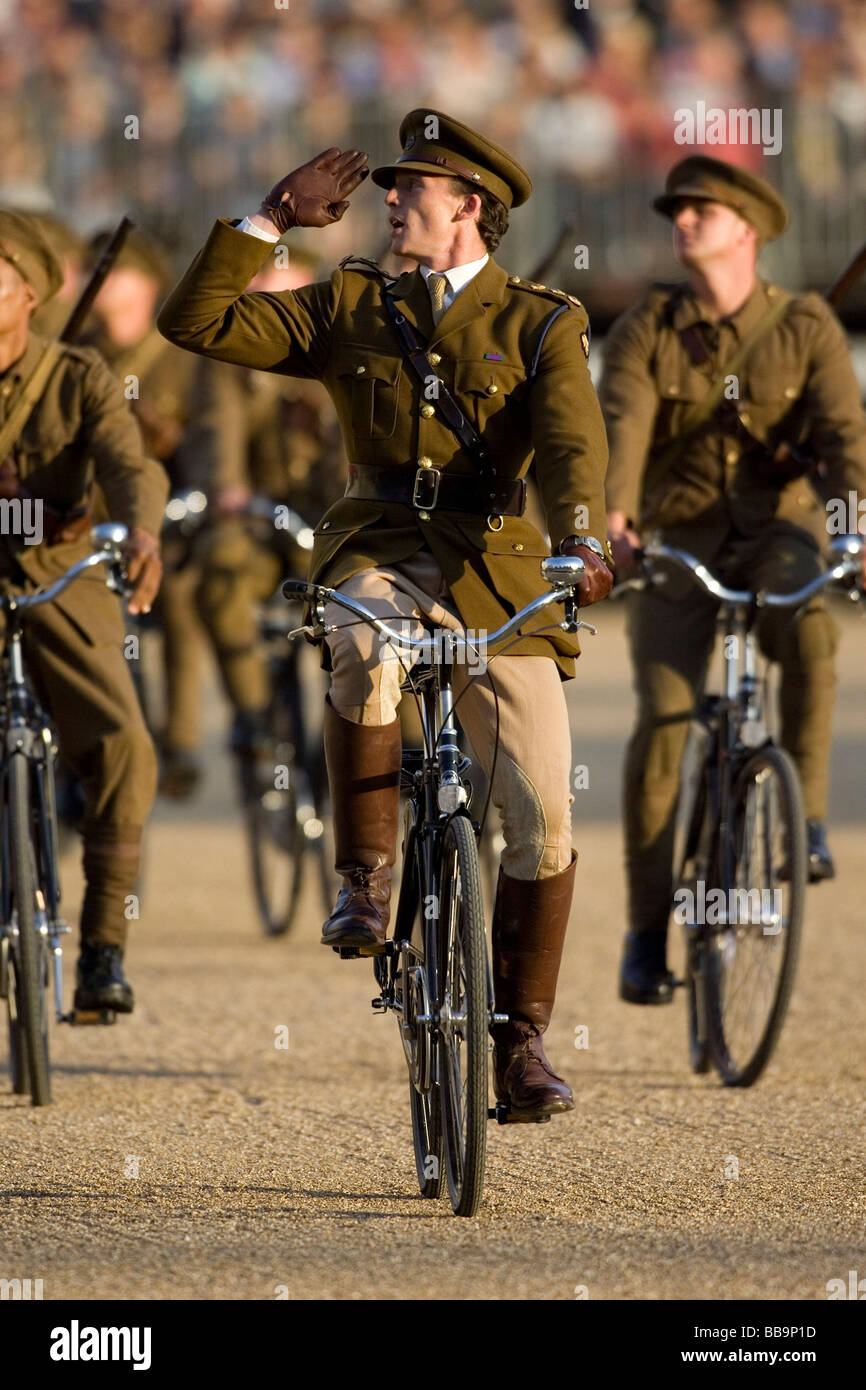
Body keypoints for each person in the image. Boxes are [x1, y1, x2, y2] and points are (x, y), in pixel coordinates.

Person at [157, 112, 613, 1121]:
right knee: (358, 636)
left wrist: (582, 539)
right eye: (388, 184)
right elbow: (196, 323)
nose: (389, 198)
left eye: (412, 185)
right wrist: (269, 221)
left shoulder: (541, 320)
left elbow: (576, 444)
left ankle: (518, 1046)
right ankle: (362, 879)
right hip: (376, 548)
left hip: (496, 569)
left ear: (471, 207)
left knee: (542, 815)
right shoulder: (355, 302)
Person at [599, 155, 866, 1006]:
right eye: (677, 211)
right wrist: (615, 522)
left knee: (812, 634)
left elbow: (845, 440)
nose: (682, 222)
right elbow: (623, 427)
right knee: (662, 732)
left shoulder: (808, 325)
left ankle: (807, 822)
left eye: (701, 212)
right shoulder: (649, 324)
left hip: (777, 528)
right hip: (680, 539)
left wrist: (856, 527)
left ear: (746, 229)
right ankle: (646, 936)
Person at [0, 211, 167, 1012]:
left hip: (60, 575)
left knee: (124, 743)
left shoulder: (79, 378)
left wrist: (139, 529)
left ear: (29, 294)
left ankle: (103, 947)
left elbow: (128, 463)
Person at [184, 245, 345, 760]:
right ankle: (253, 714)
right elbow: (216, 431)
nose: (277, 313)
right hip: (252, 521)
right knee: (221, 570)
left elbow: (352, 448)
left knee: (364, 607)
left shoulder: (341, 349)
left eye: (290, 299)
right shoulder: (228, 358)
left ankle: (373, 737)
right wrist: (226, 490)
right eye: (265, 300)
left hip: (325, 524)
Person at [85, 228, 228, 797]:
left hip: (170, 513)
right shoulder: (84, 352)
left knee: (179, 589)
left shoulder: (180, 355)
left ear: (147, 284)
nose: (104, 283)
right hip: (94, 516)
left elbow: (208, 438)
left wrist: (169, 440)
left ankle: (183, 740)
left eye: (117, 272)